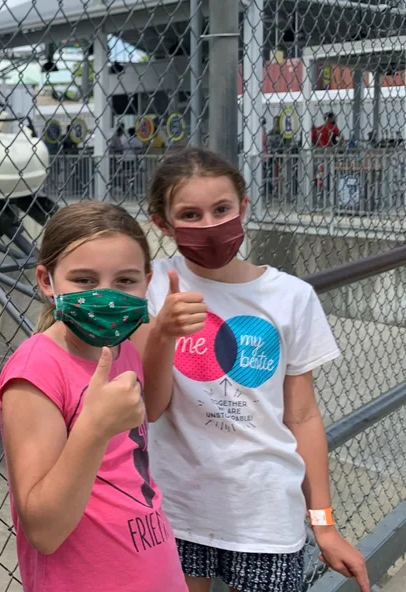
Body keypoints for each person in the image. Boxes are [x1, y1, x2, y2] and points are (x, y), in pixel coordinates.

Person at [140, 147, 369, 592]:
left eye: (221, 209)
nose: (209, 226)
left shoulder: (291, 296)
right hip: (177, 506)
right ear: (163, 224)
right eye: (190, 214)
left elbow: (302, 415)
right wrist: (162, 332)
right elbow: (153, 406)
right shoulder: (151, 285)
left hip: (264, 511)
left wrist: (322, 523)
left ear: (243, 207)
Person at [0, 202, 186, 592]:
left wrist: (164, 337)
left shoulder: (123, 344)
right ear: (47, 282)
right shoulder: (37, 368)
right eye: (84, 280)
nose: (107, 297)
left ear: (146, 282)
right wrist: (93, 428)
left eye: (125, 281)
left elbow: (150, 409)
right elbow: (44, 530)